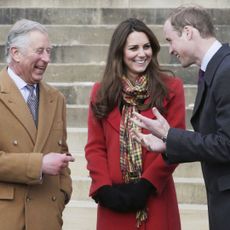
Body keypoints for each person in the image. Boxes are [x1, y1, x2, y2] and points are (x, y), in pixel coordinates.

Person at [131, 5, 230, 230]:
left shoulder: (226, 71)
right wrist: (169, 144)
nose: (169, 50)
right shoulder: (216, 68)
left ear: (188, 32)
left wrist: (170, 135)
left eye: (169, 40)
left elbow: (226, 145)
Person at [85, 18, 186, 230]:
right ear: (120, 52)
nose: (142, 54)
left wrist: (146, 185)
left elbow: (176, 143)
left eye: (146, 46)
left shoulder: (172, 88)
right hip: (114, 200)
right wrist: (103, 189)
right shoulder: (100, 92)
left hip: (155, 197)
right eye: (133, 48)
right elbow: (95, 147)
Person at [0, 19, 75, 230]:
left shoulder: (56, 98)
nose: (47, 59)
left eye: (49, 51)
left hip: (46, 218)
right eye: (40, 51)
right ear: (16, 53)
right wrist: (38, 165)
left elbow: (62, 154)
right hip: (8, 218)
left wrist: (63, 194)